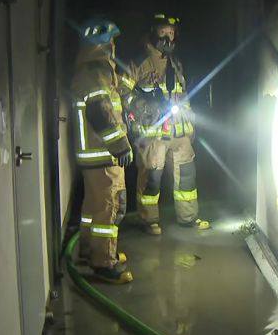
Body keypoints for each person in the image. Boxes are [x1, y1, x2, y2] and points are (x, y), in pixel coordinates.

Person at [121, 14, 210, 235]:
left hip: (180, 133)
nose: (168, 37)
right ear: (153, 32)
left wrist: (190, 125)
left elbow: (183, 95)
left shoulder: (175, 63)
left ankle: (188, 218)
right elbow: (122, 92)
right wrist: (144, 107)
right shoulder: (139, 62)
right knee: (151, 179)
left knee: (187, 177)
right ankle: (148, 220)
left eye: (171, 33)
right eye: (163, 32)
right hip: (153, 133)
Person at [71, 17, 134, 284]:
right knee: (109, 208)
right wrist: (120, 145)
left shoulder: (89, 70)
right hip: (104, 155)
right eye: (111, 41)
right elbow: (100, 112)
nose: (114, 46)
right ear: (102, 44)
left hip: (93, 156)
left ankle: (89, 251)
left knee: (93, 208)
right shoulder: (96, 71)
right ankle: (104, 263)